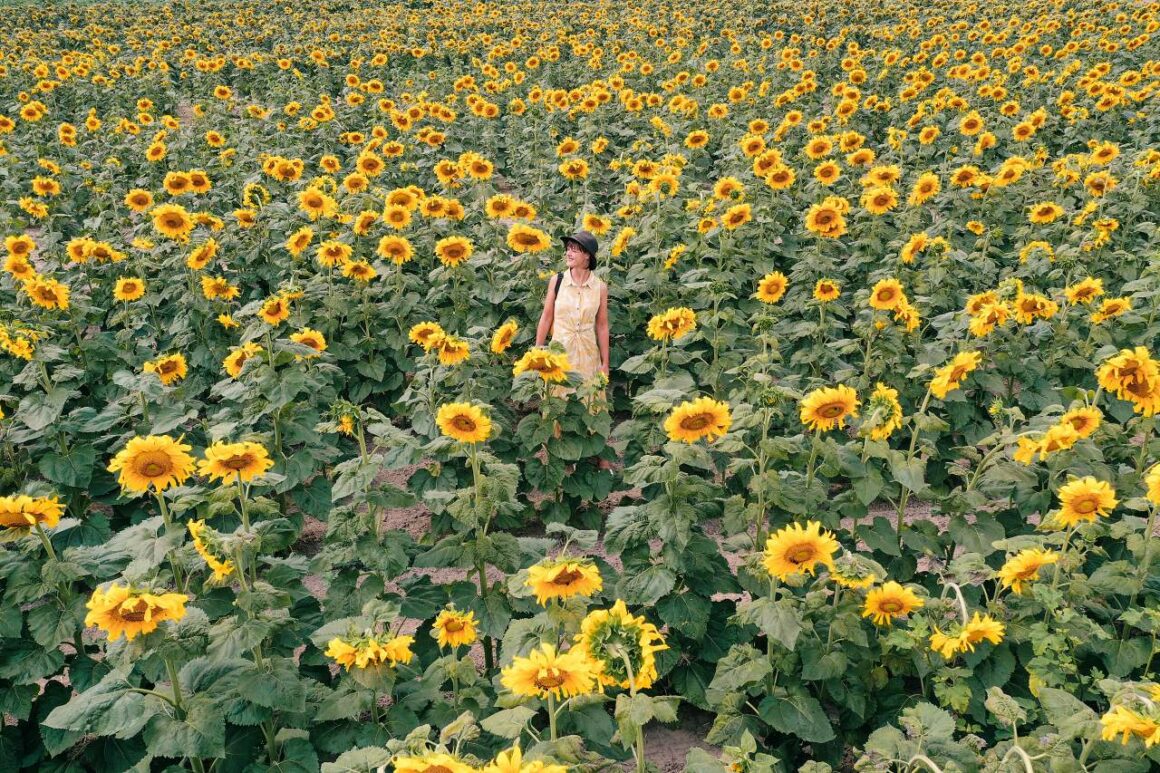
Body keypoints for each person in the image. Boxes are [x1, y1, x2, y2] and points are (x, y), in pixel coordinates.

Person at [535, 231, 610, 397]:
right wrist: (538, 350)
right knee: (558, 399)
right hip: (560, 352)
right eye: (568, 248)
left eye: (575, 250)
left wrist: (605, 363)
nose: (568, 253)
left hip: (588, 355)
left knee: (588, 398)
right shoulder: (558, 281)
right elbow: (546, 317)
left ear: (587, 256)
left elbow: (602, 326)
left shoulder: (600, 287)